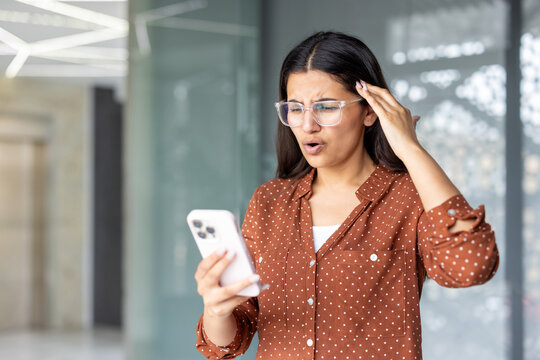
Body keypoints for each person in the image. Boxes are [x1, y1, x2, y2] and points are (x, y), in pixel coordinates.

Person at [194, 31, 499, 360]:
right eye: (295, 108)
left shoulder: (409, 196)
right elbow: (226, 343)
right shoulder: (269, 203)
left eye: (325, 107)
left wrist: (409, 147)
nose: (308, 125)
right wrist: (216, 309)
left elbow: (471, 266)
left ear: (369, 112)